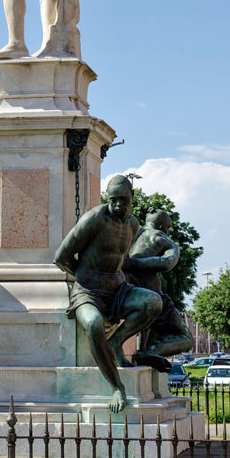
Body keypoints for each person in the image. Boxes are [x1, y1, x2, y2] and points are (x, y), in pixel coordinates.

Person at [54, 175, 163, 412]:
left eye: (123, 199)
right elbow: (61, 256)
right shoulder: (94, 219)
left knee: (153, 302)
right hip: (88, 292)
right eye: (113, 199)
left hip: (117, 290)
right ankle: (116, 387)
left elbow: (120, 259)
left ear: (132, 197)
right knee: (93, 323)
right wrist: (85, 277)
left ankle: (116, 342)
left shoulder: (133, 225)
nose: (118, 204)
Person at [123, 209, 193, 368]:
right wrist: (135, 264)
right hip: (154, 299)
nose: (169, 232)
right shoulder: (162, 238)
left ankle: (142, 351)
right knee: (186, 338)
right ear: (162, 226)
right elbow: (167, 262)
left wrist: (128, 263)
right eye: (168, 228)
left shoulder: (131, 232)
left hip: (125, 291)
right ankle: (152, 351)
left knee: (147, 320)